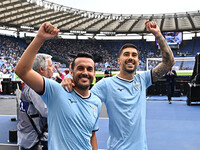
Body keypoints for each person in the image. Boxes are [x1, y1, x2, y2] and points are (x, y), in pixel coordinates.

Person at [62, 20, 175, 149]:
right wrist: (69, 79)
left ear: (138, 61)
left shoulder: (142, 79)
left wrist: (158, 35)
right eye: (126, 54)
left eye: (134, 55)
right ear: (119, 61)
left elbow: (169, 62)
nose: (130, 57)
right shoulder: (106, 84)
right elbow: (82, 99)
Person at [15, 22, 101, 150]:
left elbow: (92, 135)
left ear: (94, 73)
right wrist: (40, 38)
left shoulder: (96, 102)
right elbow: (22, 71)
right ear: (71, 72)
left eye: (89, 69)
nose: (85, 72)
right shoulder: (56, 91)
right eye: (80, 68)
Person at [18, 53, 54, 150]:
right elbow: (46, 111)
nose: (53, 69)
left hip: (31, 136)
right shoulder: (35, 87)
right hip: (35, 140)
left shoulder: (31, 83)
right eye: (50, 66)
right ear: (41, 69)